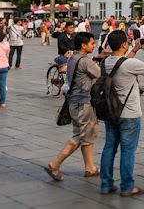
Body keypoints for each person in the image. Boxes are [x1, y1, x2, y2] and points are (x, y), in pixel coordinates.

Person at [100, 31, 144, 197]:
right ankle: (127, 186)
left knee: (109, 148)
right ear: (124, 44)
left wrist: (135, 49)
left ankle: (106, 184)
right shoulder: (129, 65)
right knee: (127, 151)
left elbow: (122, 62)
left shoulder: (105, 61)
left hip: (111, 112)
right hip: (129, 114)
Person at [44, 32, 101, 181]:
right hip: (83, 103)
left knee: (86, 134)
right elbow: (98, 74)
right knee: (80, 135)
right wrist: (96, 63)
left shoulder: (72, 58)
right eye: (91, 43)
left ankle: (90, 167)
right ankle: (54, 164)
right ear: (83, 45)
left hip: (73, 102)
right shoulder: (85, 61)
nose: (93, 46)